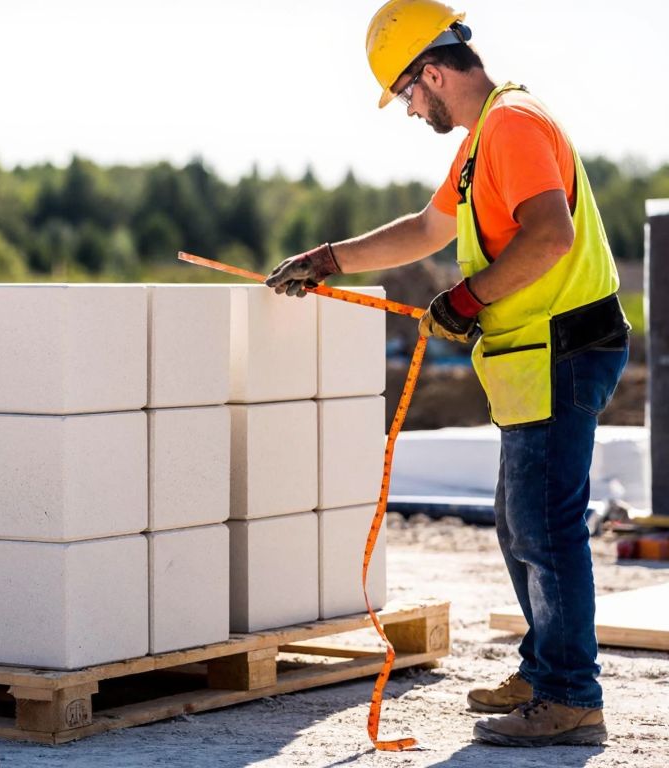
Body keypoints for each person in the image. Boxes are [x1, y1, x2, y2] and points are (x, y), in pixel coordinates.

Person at [266, 0, 628, 748]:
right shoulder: (485, 138)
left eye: (406, 95)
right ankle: (547, 669)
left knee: (545, 528)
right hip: (537, 356)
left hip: (562, 351)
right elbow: (430, 228)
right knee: (519, 522)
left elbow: (551, 237)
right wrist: (327, 259)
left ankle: (570, 697)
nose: (408, 111)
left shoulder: (515, 124)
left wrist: (466, 298)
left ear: (432, 72)